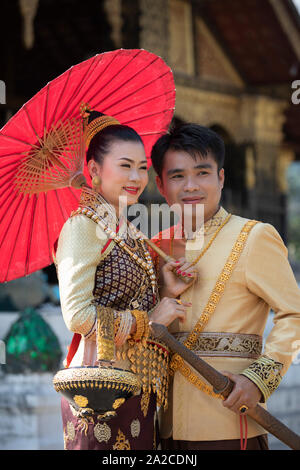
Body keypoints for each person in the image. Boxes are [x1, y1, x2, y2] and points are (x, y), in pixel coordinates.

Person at [150, 123, 300, 450]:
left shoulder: (254, 236)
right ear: (161, 185)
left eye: (202, 173)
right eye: (177, 176)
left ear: (220, 178)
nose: (191, 186)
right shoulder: (157, 246)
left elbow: (295, 315)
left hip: (230, 420)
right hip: (166, 427)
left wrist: (259, 380)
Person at [54, 109, 190, 450]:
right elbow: (78, 315)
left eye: (142, 166)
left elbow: (130, 298)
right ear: (95, 171)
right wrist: (148, 321)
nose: (137, 176)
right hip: (99, 388)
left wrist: (166, 290)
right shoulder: (82, 227)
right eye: (125, 165)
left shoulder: (126, 229)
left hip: (138, 382)